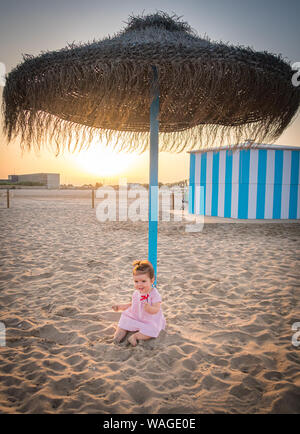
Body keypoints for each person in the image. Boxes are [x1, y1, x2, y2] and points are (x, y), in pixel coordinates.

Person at [112, 260, 166, 346]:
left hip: (149, 319)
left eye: (143, 281)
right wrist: (120, 307)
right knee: (123, 323)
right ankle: (116, 339)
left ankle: (135, 337)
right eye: (136, 282)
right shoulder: (137, 293)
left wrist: (150, 309)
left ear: (152, 280)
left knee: (152, 330)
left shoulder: (154, 294)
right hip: (135, 316)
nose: (139, 284)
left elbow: (156, 309)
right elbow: (133, 304)